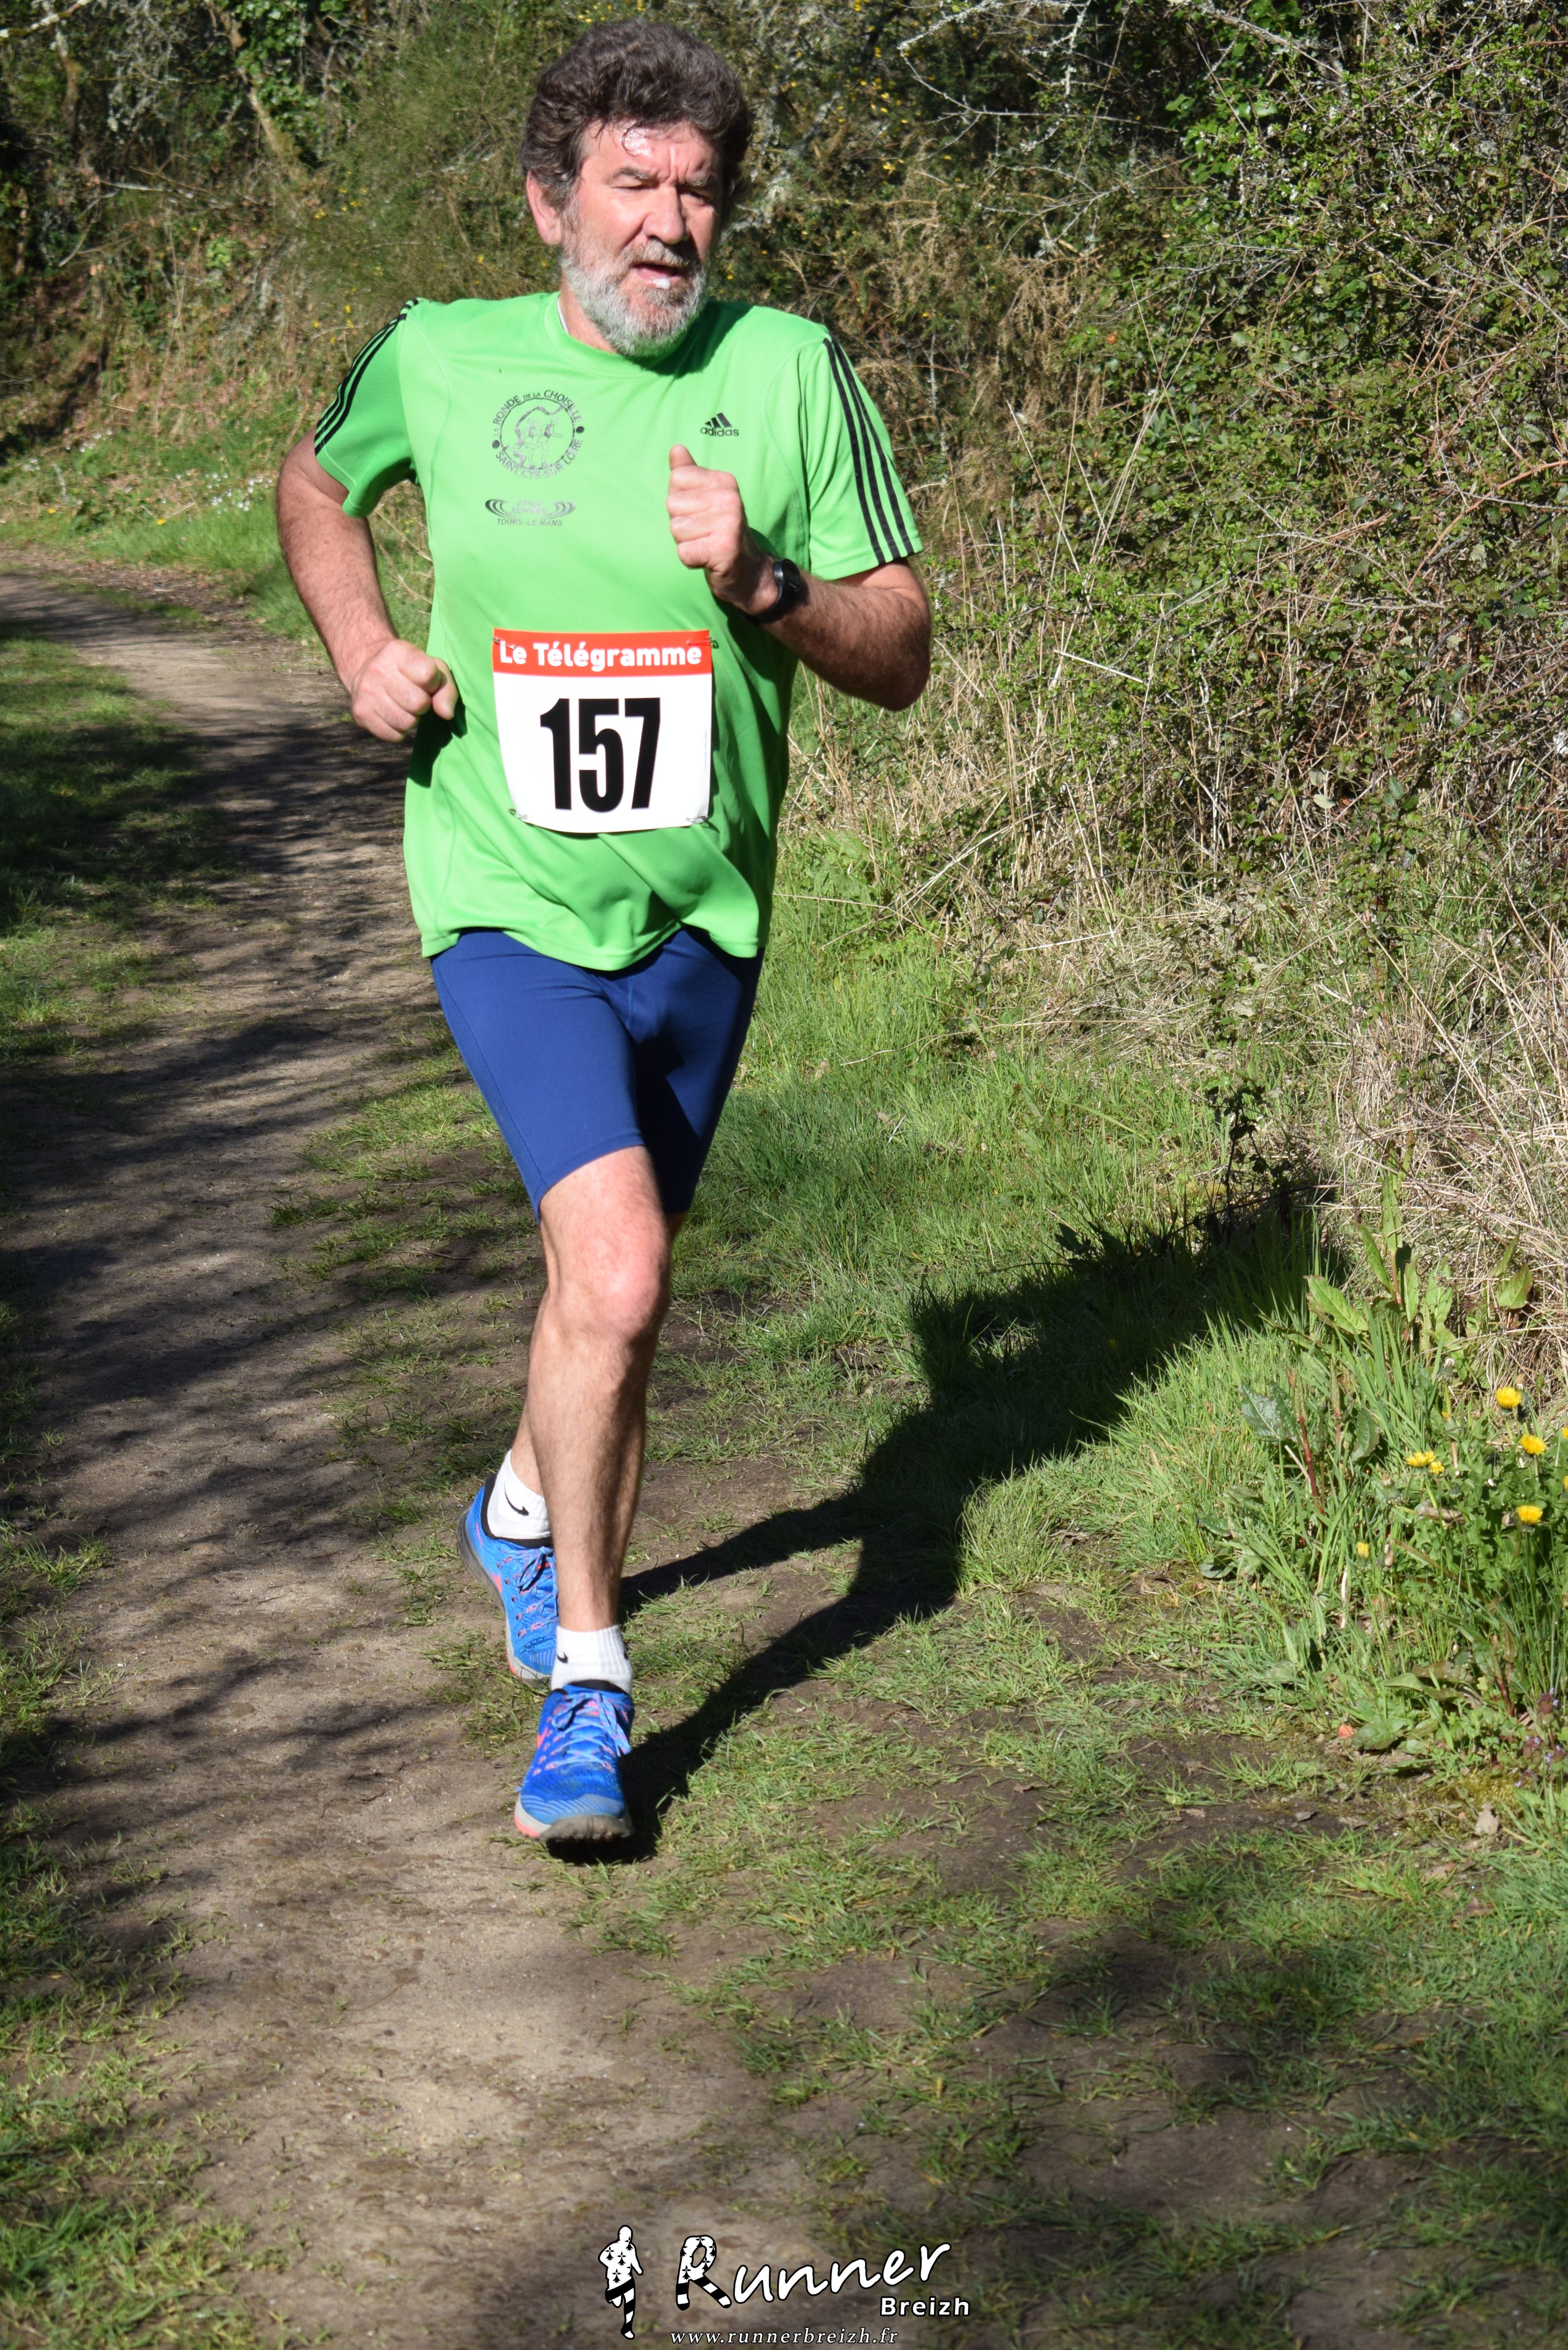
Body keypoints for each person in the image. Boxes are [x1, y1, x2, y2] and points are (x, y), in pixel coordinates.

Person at [276, 19, 930, 1847]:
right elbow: (315, 483)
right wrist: (361, 648)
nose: (667, 223)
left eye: (698, 192)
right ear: (548, 201)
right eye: (631, 184)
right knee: (623, 1274)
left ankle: (515, 1503)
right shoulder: (441, 353)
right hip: (502, 895)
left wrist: (766, 580)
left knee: (604, 1300)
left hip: (702, 918)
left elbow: (900, 652)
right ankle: (590, 1683)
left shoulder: (792, 374)